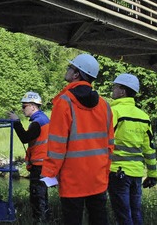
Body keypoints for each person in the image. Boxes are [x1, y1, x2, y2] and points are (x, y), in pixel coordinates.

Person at [41, 54, 114, 225]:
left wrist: (49, 174)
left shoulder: (64, 102)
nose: (67, 70)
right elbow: (110, 145)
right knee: (99, 219)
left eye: (70, 67)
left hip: (72, 179)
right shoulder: (105, 105)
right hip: (97, 178)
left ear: (76, 75)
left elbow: (57, 145)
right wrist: (104, 173)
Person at [108, 74, 157, 225]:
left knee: (123, 216)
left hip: (117, 172)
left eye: (115, 87)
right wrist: (152, 174)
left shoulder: (114, 112)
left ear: (122, 91)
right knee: (135, 214)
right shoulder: (143, 116)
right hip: (136, 173)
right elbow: (149, 149)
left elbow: (104, 141)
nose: (113, 89)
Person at [8, 91, 50, 222]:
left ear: (33, 106)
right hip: (43, 164)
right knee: (41, 197)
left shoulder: (38, 122)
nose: (22, 109)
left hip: (39, 166)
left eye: (24, 106)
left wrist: (16, 122)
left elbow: (25, 138)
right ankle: (44, 219)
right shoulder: (43, 119)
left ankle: (40, 221)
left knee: (37, 197)